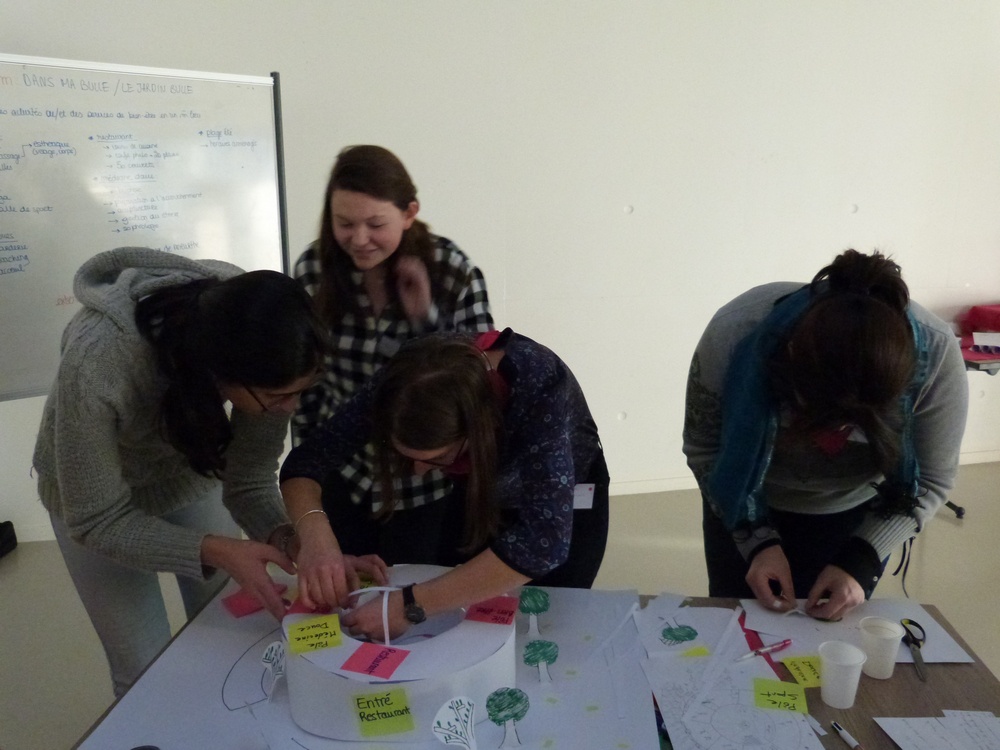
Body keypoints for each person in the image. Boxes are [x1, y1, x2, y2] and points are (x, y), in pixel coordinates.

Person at [32, 247, 384, 697]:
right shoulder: (98, 362)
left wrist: (298, 545)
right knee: (141, 667)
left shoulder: (264, 338)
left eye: (300, 392)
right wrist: (217, 549)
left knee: (222, 633)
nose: (289, 408)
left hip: (187, 473)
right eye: (278, 397)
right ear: (221, 372)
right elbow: (97, 520)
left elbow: (249, 479)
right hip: (91, 503)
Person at [683, 249, 968, 621]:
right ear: (786, 360)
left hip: (858, 515)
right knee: (736, 625)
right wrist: (755, 542)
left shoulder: (936, 355)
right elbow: (704, 447)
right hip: (738, 499)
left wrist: (861, 559)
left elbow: (930, 478)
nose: (835, 437)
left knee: (829, 632)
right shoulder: (736, 332)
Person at [280, 328, 610, 640]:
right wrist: (317, 541)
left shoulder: (539, 383)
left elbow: (543, 543)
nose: (419, 472)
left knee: (548, 627)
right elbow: (307, 461)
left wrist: (411, 605)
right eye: (406, 455)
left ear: (476, 430)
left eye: (437, 459)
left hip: (570, 502)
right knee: (464, 621)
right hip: (483, 494)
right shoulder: (406, 384)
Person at [291, 144, 494, 523]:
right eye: (344, 224)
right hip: (343, 472)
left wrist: (425, 319)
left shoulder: (451, 270)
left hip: (425, 479)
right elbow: (305, 378)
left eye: (375, 225)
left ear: (409, 213)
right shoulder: (313, 269)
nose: (359, 239)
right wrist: (308, 462)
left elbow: (478, 379)